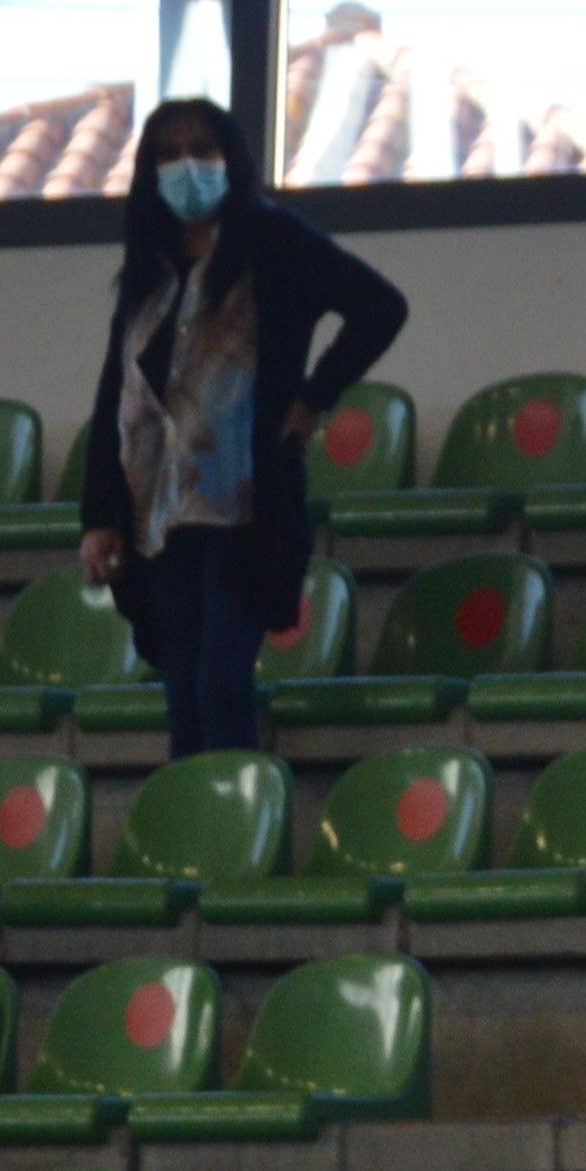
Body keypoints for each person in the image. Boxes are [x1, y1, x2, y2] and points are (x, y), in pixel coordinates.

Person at [75, 95, 405, 763]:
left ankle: (233, 837)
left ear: (232, 159)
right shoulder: (148, 264)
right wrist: (99, 514)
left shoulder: (275, 239)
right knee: (181, 692)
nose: (186, 167)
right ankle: (193, 842)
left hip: (246, 502)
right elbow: (119, 393)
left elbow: (381, 306)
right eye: (168, 155)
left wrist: (314, 397)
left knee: (220, 682)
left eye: (203, 150)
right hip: (158, 512)